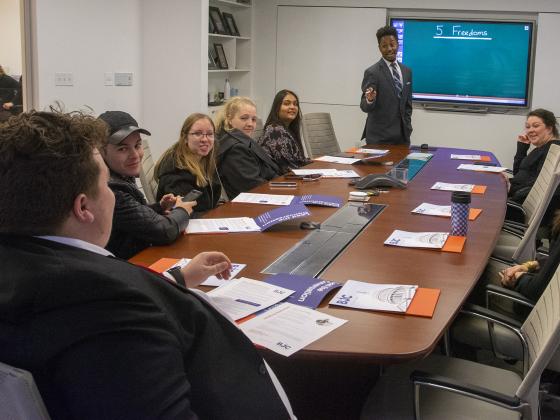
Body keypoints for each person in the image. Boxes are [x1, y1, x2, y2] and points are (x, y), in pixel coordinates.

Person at [0, 110, 294, 419]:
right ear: (83, 206)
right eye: (104, 185)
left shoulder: (28, 273)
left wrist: (177, 278)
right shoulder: (111, 308)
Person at [98, 111, 194, 259]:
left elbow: (128, 216)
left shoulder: (120, 174)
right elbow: (164, 231)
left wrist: (158, 208)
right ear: (101, 151)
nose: (135, 155)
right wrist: (182, 211)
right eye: (122, 149)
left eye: (137, 145)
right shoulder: (111, 189)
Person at [155, 113, 221, 214]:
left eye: (209, 134)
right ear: (185, 137)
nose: (205, 139)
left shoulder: (204, 160)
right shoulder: (176, 169)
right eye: (198, 134)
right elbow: (182, 213)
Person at [216, 97, 280, 199]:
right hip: (252, 204)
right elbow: (254, 187)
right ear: (229, 119)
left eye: (253, 119)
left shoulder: (237, 139)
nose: (250, 124)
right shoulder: (235, 149)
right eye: (244, 118)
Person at [359, 25, 413, 145]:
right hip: (379, 139)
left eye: (392, 44)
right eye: (384, 46)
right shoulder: (372, 72)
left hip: (402, 138)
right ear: (379, 48)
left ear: (398, 44)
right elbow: (364, 106)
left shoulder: (407, 71)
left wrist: (407, 128)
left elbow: (407, 105)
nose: (389, 49)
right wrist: (369, 99)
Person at [507, 108, 560, 205]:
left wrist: (510, 189)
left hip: (519, 203)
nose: (530, 130)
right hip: (516, 196)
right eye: (527, 127)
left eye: (535, 126)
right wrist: (522, 148)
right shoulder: (541, 147)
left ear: (549, 128)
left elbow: (538, 187)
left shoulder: (552, 150)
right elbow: (518, 173)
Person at [258, 89, 311, 174]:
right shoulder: (275, 131)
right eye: (286, 103)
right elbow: (289, 168)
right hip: (277, 183)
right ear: (277, 108)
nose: (292, 107)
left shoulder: (287, 129)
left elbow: (298, 161)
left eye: (295, 104)